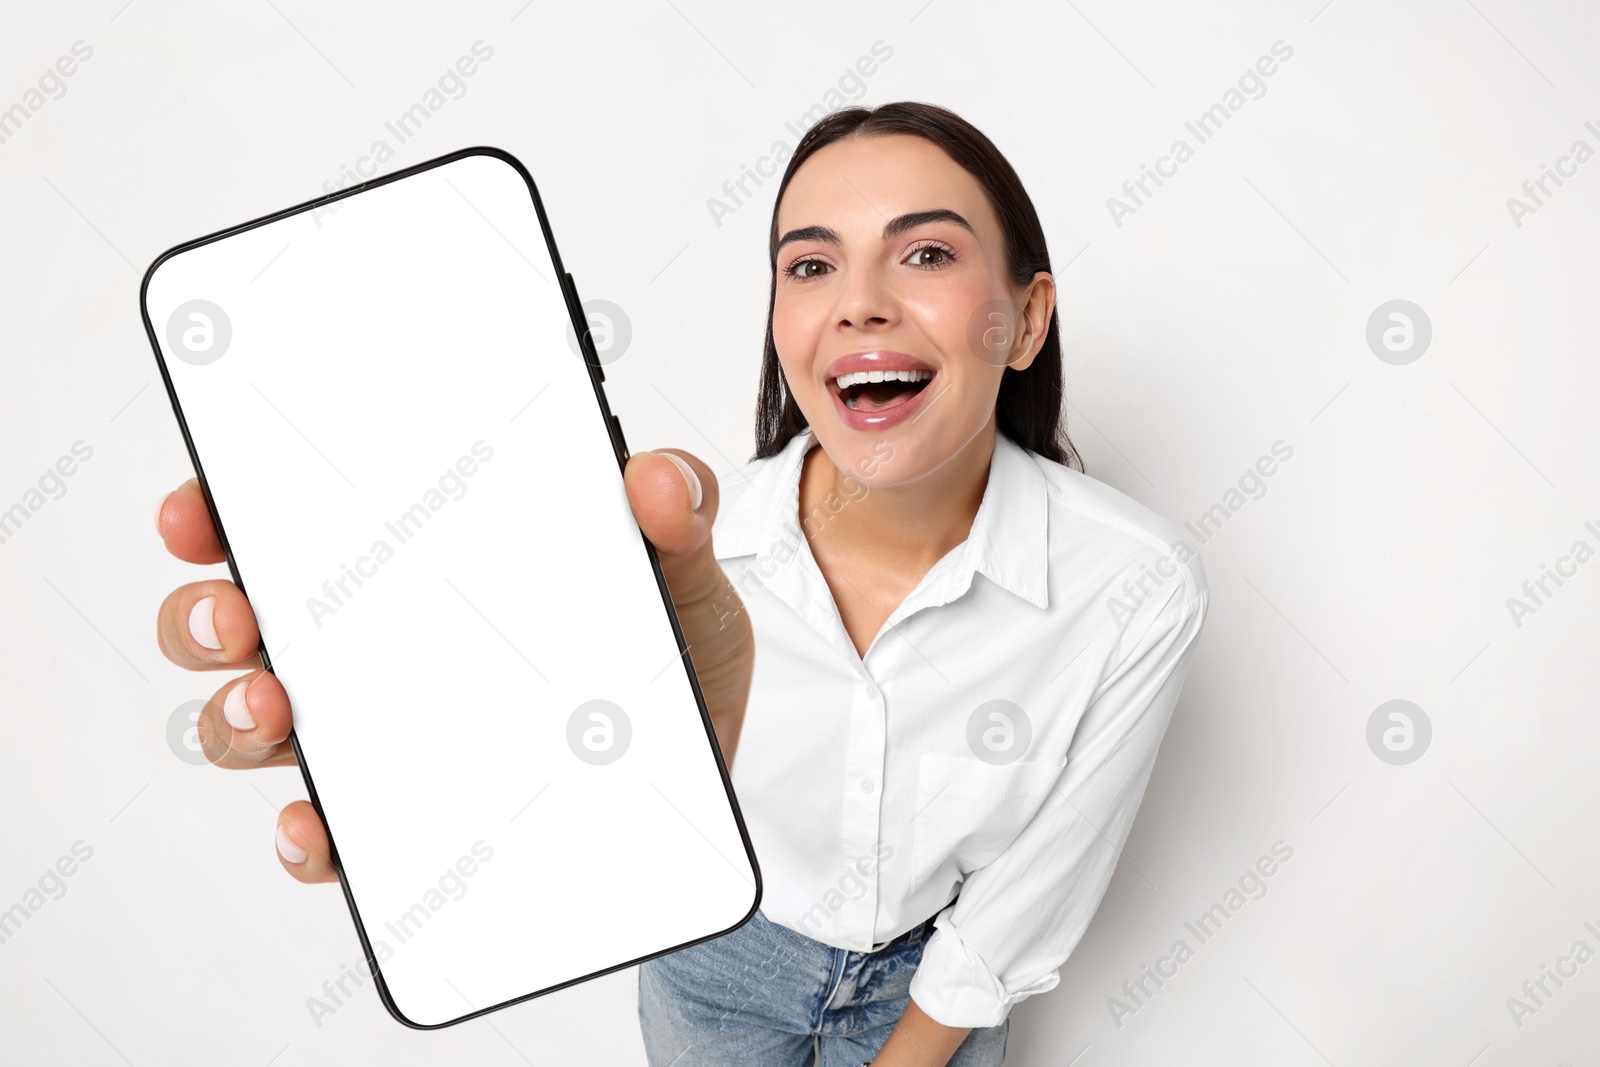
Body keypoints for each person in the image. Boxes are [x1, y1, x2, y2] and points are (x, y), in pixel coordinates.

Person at [155, 102, 1208, 1067]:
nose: (859, 305)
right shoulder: (674, 550)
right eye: (810, 266)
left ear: (1025, 321)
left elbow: (1036, 884)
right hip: (717, 960)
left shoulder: (1134, 583)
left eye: (924, 252)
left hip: (941, 987)